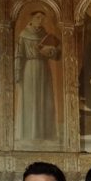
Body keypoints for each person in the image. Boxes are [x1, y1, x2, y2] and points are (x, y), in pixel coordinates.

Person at [15, 10, 60, 141]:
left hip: (44, 68)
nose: (40, 20)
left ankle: (44, 134)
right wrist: (17, 73)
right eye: (38, 17)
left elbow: (56, 55)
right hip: (29, 68)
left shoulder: (45, 35)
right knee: (30, 100)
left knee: (44, 99)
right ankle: (28, 134)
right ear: (32, 18)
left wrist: (51, 51)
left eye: (42, 18)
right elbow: (19, 55)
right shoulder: (24, 34)